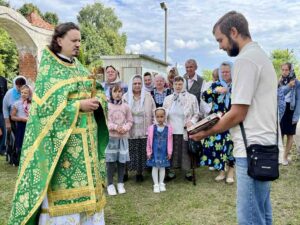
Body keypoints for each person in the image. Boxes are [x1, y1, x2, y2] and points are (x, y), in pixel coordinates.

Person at [8, 22, 109, 225]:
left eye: (80, 40)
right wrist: (78, 105)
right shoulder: (49, 70)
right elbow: (44, 111)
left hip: (86, 151)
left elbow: (95, 87)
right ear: (59, 40)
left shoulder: (79, 67)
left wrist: (99, 99)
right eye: (74, 40)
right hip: (63, 149)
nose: (78, 44)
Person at [190, 11, 277, 225]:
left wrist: (205, 131)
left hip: (251, 150)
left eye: (220, 40)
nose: (220, 46)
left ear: (234, 32)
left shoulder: (246, 60)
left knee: (249, 218)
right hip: (263, 146)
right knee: (262, 214)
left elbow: (238, 112)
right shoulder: (260, 56)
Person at [201, 62, 235, 183]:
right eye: (223, 72)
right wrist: (215, 91)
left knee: (231, 145)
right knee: (219, 145)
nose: (225, 74)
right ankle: (222, 171)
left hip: (233, 120)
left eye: (227, 71)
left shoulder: (237, 85)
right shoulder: (216, 84)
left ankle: (230, 171)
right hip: (218, 120)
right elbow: (204, 97)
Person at [163, 76, 200, 181]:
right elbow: (163, 113)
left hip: (185, 130)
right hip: (171, 130)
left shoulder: (191, 98)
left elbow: (197, 113)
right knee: (172, 151)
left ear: (184, 85)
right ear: (173, 85)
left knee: (186, 152)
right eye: (176, 84)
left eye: (180, 84)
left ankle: (188, 172)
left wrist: (191, 122)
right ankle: (171, 172)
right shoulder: (168, 99)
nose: (178, 86)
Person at [123, 74, 156, 182]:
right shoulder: (125, 97)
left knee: (141, 151)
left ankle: (139, 173)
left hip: (144, 129)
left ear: (142, 85)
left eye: (139, 83)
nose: (137, 85)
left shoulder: (148, 96)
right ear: (131, 85)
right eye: (135, 83)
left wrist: (154, 125)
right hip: (129, 130)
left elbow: (153, 111)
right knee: (128, 151)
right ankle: (125, 172)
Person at [106, 84, 133, 196]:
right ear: (111, 93)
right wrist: (116, 127)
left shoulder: (126, 106)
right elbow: (106, 121)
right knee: (111, 162)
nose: (117, 94)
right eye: (115, 91)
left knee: (122, 161)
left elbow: (130, 120)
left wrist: (125, 128)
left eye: (120, 91)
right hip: (111, 138)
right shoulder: (107, 106)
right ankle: (110, 184)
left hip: (123, 138)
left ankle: (120, 183)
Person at [278, 63, 300, 165]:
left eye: (286, 70)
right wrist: (287, 86)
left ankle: (285, 157)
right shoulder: (280, 81)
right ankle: (280, 156)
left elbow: (298, 99)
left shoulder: (297, 83)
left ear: (290, 70)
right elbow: (278, 93)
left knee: (290, 135)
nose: (284, 72)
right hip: (281, 109)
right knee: (281, 133)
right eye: (283, 70)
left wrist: (296, 115)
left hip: (291, 110)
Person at [146, 107, 173, 193]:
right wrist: (149, 151)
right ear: (155, 117)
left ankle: (161, 183)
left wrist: (169, 152)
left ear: (165, 116)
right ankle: (156, 184)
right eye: (157, 117)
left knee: (162, 168)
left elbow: (170, 141)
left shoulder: (168, 128)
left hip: (164, 152)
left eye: (161, 116)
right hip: (154, 152)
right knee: (155, 167)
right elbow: (149, 141)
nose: (159, 118)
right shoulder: (151, 128)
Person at [10, 85, 32, 165]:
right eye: (22, 92)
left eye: (26, 93)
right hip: (21, 125)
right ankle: (19, 160)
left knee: (29, 142)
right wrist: (22, 119)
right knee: (20, 142)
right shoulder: (17, 104)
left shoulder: (32, 103)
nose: (23, 94)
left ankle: (29, 159)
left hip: (30, 125)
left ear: (29, 93)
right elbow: (12, 117)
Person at [0, 75, 7, 155]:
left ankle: (2, 149)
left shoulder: (3, 80)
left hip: (2, 109)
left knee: (3, 129)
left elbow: (5, 94)